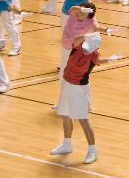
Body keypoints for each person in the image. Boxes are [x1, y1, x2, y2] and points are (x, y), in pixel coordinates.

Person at [51, 32, 118, 164]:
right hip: (67, 83)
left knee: (83, 120)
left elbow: (98, 61)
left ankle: (93, 151)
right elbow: (75, 40)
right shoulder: (79, 45)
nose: (86, 48)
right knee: (65, 114)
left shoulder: (94, 55)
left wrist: (110, 59)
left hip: (79, 88)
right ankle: (67, 144)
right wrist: (87, 36)